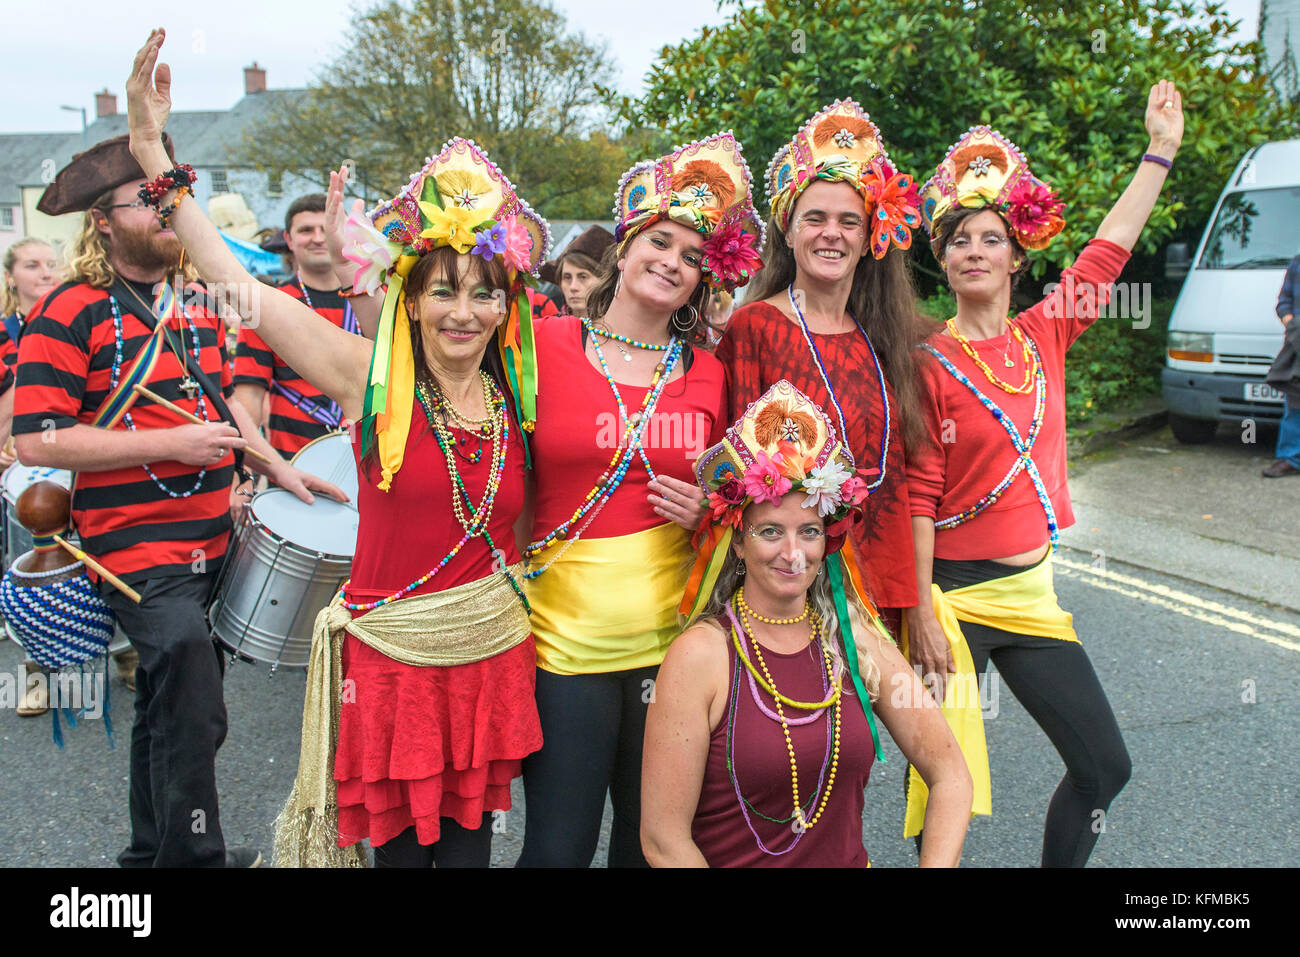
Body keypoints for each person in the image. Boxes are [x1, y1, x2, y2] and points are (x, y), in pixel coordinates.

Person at [125, 29, 549, 868]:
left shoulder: (522, 394)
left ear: (507, 304)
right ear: (411, 297)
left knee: (470, 855)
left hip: (488, 657)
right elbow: (235, 284)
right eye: (443, 292)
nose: (463, 312)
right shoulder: (368, 378)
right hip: (393, 670)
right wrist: (152, 154)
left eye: (482, 294)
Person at [12, 119, 339, 867]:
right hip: (132, 548)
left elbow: (218, 402)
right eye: (143, 203)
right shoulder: (70, 308)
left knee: (167, 708)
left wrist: (273, 465)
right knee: (194, 707)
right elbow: (37, 438)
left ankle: (149, 856)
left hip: (213, 538)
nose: (164, 217)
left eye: (168, 203)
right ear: (102, 221)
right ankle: (197, 859)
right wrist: (171, 443)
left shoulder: (191, 298)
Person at [904, 82, 1186, 866]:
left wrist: (1159, 149)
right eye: (958, 239)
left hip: (1030, 592)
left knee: (1104, 766)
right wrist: (920, 614)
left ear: (1016, 256)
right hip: (950, 597)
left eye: (989, 238)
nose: (972, 251)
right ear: (944, 258)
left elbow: (1110, 247)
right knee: (941, 787)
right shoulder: (925, 360)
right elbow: (919, 494)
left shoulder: (1045, 335)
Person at [516, 132, 763, 867]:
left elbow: (742, 505)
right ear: (622, 251)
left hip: (672, 646)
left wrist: (710, 515)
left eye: (692, 258)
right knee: (556, 850)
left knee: (647, 849)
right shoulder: (539, 345)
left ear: (700, 284)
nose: (673, 262)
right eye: (659, 242)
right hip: (563, 642)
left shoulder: (710, 377)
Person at [642, 380, 972, 866]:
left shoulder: (853, 639)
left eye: (810, 532)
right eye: (771, 531)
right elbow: (663, 841)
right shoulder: (702, 655)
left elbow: (950, 775)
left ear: (827, 542)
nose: (793, 554)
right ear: (737, 542)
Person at [716, 100, 927, 641]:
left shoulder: (888, 338)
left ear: (868, 238)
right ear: (788, 232)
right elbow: (737, 483)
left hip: (889, 588)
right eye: (815, 218)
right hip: (797, 592)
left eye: (848, 221)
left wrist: (919, 608)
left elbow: (908, 481)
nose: (831, 233)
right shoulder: (754, 329)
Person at [234, 194, 365, 462]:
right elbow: (249, 398)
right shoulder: (265, 307)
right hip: (292, 467)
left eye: (325, 229)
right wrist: (245, 469)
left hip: (370, 462)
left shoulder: (374, 302)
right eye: (306, 230)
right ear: (289, 239)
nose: (318, 238)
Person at [1263, 252, 1300, 477]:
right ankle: (1290, 459)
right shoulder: (1297, 262)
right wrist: (1293, 325)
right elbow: (1283, 303)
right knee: (1295, 406)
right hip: (1297, 345)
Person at [538, 224, 615, 317]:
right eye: (567, 277)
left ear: (604, 281)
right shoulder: (548, 328)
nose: (573, 287)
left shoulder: (622, 329)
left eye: (583, 277)